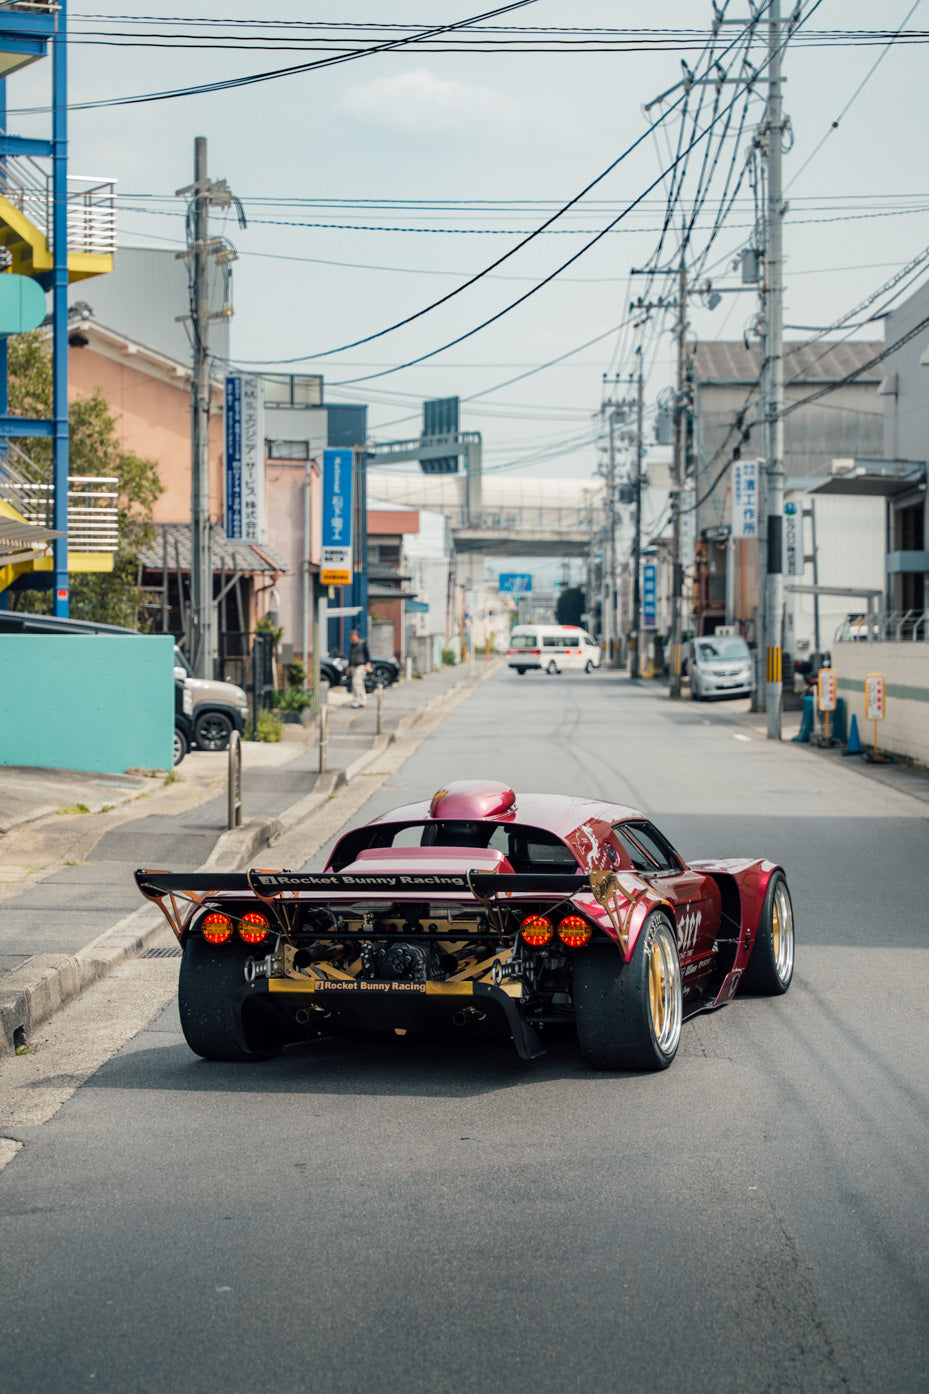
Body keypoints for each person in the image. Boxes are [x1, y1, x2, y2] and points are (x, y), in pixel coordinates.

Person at [347, 628, 371, 708]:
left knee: (356, 682)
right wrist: (348, 667)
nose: (351, 639)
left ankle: (357, 700)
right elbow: (350, 656)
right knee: (359, 683)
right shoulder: (352, 645)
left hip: (361, 665)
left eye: (352, 637)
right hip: (353, 666)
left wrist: (368, 664)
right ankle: (363, 700)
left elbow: (367, 655)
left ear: (356, 636)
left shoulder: (362, 643)